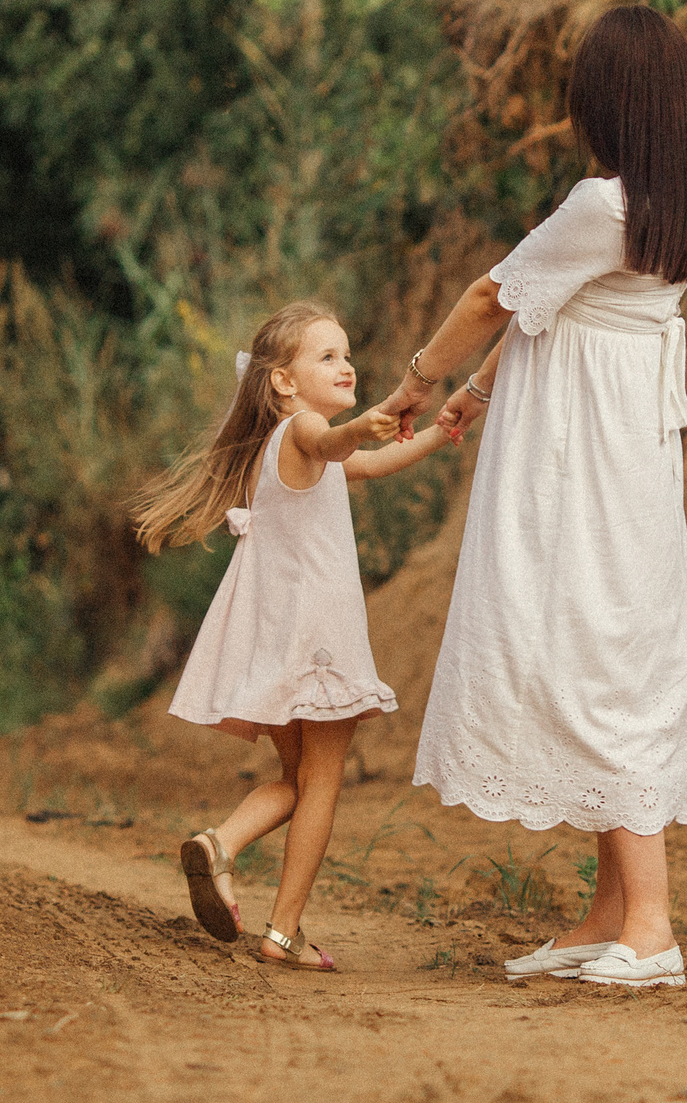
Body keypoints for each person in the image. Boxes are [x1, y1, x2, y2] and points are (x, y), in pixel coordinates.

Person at [375, 3, 687, 989]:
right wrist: (480, 393)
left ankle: (650, 923)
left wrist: (421, 378)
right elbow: (555, 314)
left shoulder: (600, 204)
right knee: (599, 638)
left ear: (604, 104)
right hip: (629, 448)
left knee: (597, 652)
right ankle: (605, 914)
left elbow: (495, 295)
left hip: (582, 456)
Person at [130, 300, 463, 971]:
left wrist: (441, 430)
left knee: (296, 776)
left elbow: (371, 463)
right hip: (319, 639)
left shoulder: (276, 448)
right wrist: (361, 429)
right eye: (327, 356)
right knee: (324, 781)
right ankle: (283, 932)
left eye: (346, 353)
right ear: (283, 381)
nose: (346, 365)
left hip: (279, 636)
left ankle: (220, 843)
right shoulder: (306, 431)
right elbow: (336, 444)